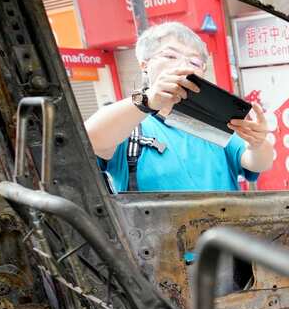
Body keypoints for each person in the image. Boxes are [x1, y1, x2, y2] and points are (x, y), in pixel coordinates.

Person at [85, 22, 274, 192]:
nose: (183, 65)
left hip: (225, 230)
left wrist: (258, 144)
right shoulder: (128, 123)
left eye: (194, 61)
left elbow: (257, 163)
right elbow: (90, 139)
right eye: (170, 55)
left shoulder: (215, 123)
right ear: (145, 65)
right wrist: (147, 100)